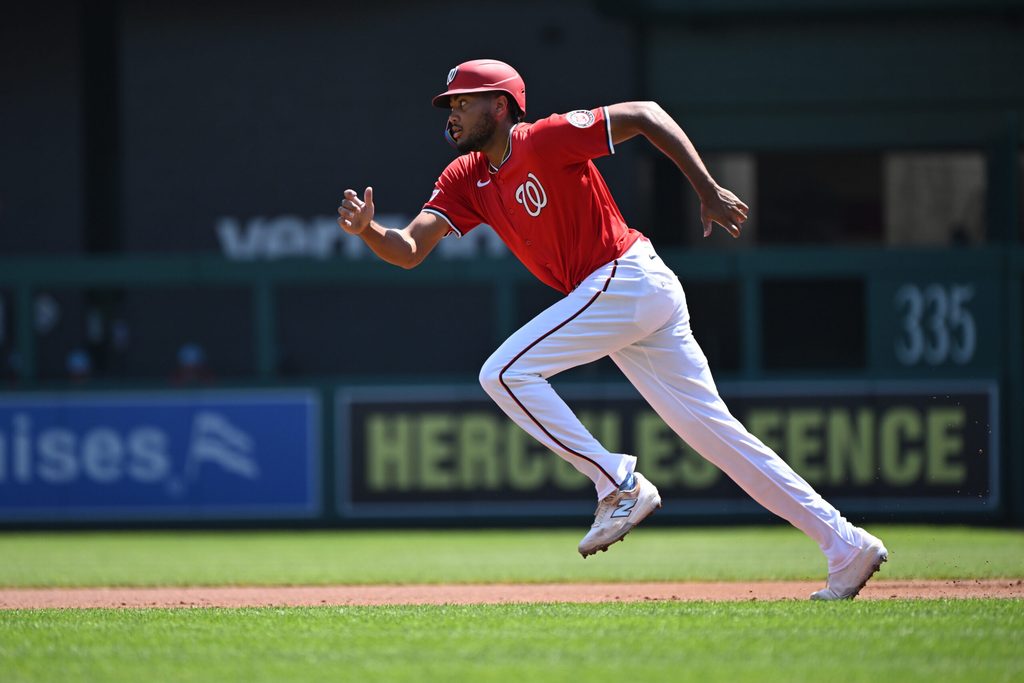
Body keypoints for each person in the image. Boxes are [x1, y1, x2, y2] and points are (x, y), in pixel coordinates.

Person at [337, 59, 887, 600]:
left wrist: (707, 188)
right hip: (626, 298)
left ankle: (617, 482)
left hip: (624, 278)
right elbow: (409, 250)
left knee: (503, 372)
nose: (452, 113)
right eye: (450, 104)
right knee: (722, 440)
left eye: (463, 101)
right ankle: (846, 545)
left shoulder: (544, 139)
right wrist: (368, 231)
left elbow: (645, 114)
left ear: (500, 105)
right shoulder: (466, 177)